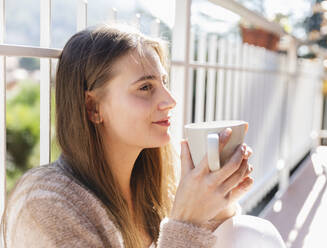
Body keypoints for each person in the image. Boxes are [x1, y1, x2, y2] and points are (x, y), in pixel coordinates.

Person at [1, 23, 285, 248]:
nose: (170, 100)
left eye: (163, 82)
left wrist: (217, 204)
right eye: (145, 88)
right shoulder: (45, 205)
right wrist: (186, 224)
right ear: (93, 107)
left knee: (252, 234)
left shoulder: (160, 173)